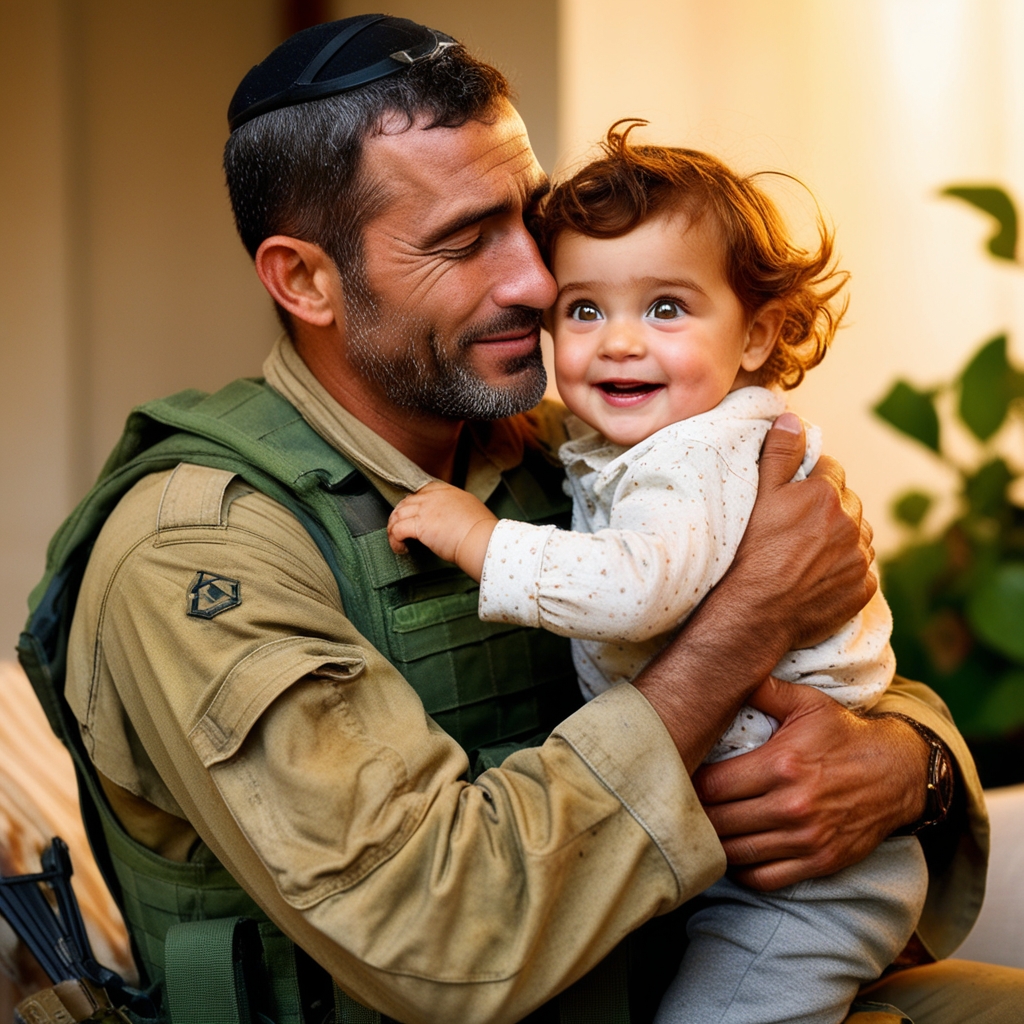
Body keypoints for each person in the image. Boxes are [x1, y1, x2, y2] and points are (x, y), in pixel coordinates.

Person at [16, 13, 1018, 1024]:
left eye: (524, 219)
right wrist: (746, 618)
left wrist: (906, 768)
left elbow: (838, 666)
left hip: (678, 970)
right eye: (463, 241)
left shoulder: (562, 445)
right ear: (306, 280)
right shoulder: (201, 549)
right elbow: (441, 936)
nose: (539, 282)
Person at [385, 126, 929, 1024]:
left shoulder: (697, 455)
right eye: (585, 311)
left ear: (758, 335)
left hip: (803, 882)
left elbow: (640, 590)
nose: (620, 344)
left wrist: (486, 539)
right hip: (730, 861)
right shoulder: (623, 443)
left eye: (667, 308)